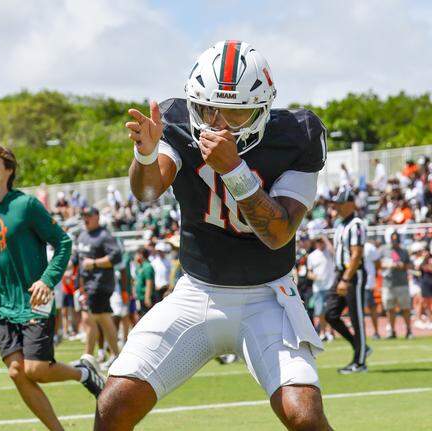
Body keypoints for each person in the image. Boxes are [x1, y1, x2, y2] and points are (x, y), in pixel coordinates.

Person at [96, 40, 330, 430]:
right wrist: (146, 156)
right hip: (196, 292)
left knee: (304, 416)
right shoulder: (176, 121)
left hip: (268, 296)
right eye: (208, 109)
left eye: (235, 114)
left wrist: (234, 170)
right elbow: (149, 191)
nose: (218, 123)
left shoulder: (297, 135)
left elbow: (278, 233)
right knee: (114, 405)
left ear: (260, 110)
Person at [0, 143, 105, 431]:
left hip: (35, 299)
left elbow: (64, 242)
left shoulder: (26, 205)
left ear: (9, 170)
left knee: (36, 369)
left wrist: (47, 280)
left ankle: (83, 372)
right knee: (17, 372)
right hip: (3, 305)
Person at [323, 188, 370, 373]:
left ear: (350, 204)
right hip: (340, 273)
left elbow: (357, 254)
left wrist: (345, 279)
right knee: (330, 314)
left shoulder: (356, 224)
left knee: (356, 318)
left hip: (352, 275)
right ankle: (361, 347)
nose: (337, 207)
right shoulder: (341, 224)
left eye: (340, 204)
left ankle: (360, 363)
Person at [74, 206, 123, 366]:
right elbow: (79, 260)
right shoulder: (82, 235)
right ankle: (118, 355)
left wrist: (94, 263)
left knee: (88, 318)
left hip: (100, 284)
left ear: (97, 216)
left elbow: (116, 257)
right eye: (83, 215)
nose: (85, 218)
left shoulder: (104, 235)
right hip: (87, 285)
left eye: (88, 215)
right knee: (104, 319)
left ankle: (87, 358)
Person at [381, 232, 413, 339]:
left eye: (396, 239)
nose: (394, 241)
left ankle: (409, 330)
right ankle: (391, 331)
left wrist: (402, 265)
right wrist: (386, 264)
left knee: (406, 308)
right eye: (393, 239)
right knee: (390, 309)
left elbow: (410, 265)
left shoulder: (403, 251)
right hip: (388, 284)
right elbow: (377, 263)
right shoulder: (384, 250)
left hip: (402, 284)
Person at [307, 236, 335, 342]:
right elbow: (309, 272)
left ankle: (329, 331)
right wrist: (314, 276)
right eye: (318, 242)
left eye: (321, 242)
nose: (320, 244)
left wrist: (326, 239)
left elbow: (334, 251)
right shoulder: (312, 256)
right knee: (320, 312)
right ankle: (323, 332)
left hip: (330, 286)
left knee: (330, 311)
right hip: (318, 287)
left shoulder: (329, 252)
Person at [363, 238, 383, 339]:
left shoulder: (369, 247)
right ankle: (362, 334)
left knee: (372, 309)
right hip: (358, 283)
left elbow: (378, 263)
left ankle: (375, 332)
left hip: (367, 284)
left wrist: (372, 275)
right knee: (361, 310)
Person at [133, 247, 155, 317]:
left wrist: (147, 297)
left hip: (145, 297)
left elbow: (149, 283)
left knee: (148, 317)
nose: (135, 256)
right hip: (140, 297)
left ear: (141, 255)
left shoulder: (147, 266)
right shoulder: (140, 266)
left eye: (136, 254)